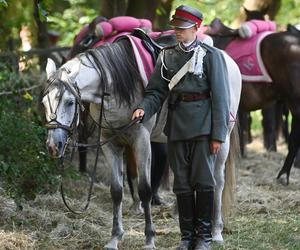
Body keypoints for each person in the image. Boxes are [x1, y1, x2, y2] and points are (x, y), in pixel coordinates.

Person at [132, 5, 230, 250]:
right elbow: (156, 91)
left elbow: (221, 98)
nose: (178, 32)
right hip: (176, 127)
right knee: (182, 184)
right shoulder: (167, 55)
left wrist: (218, 135)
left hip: (204, 128)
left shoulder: (212, 56)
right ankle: (187, 238)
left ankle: (204, 238)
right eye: (176, 27)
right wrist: (144, 107)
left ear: (197, 28)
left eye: (183, 29)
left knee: (205, 182)